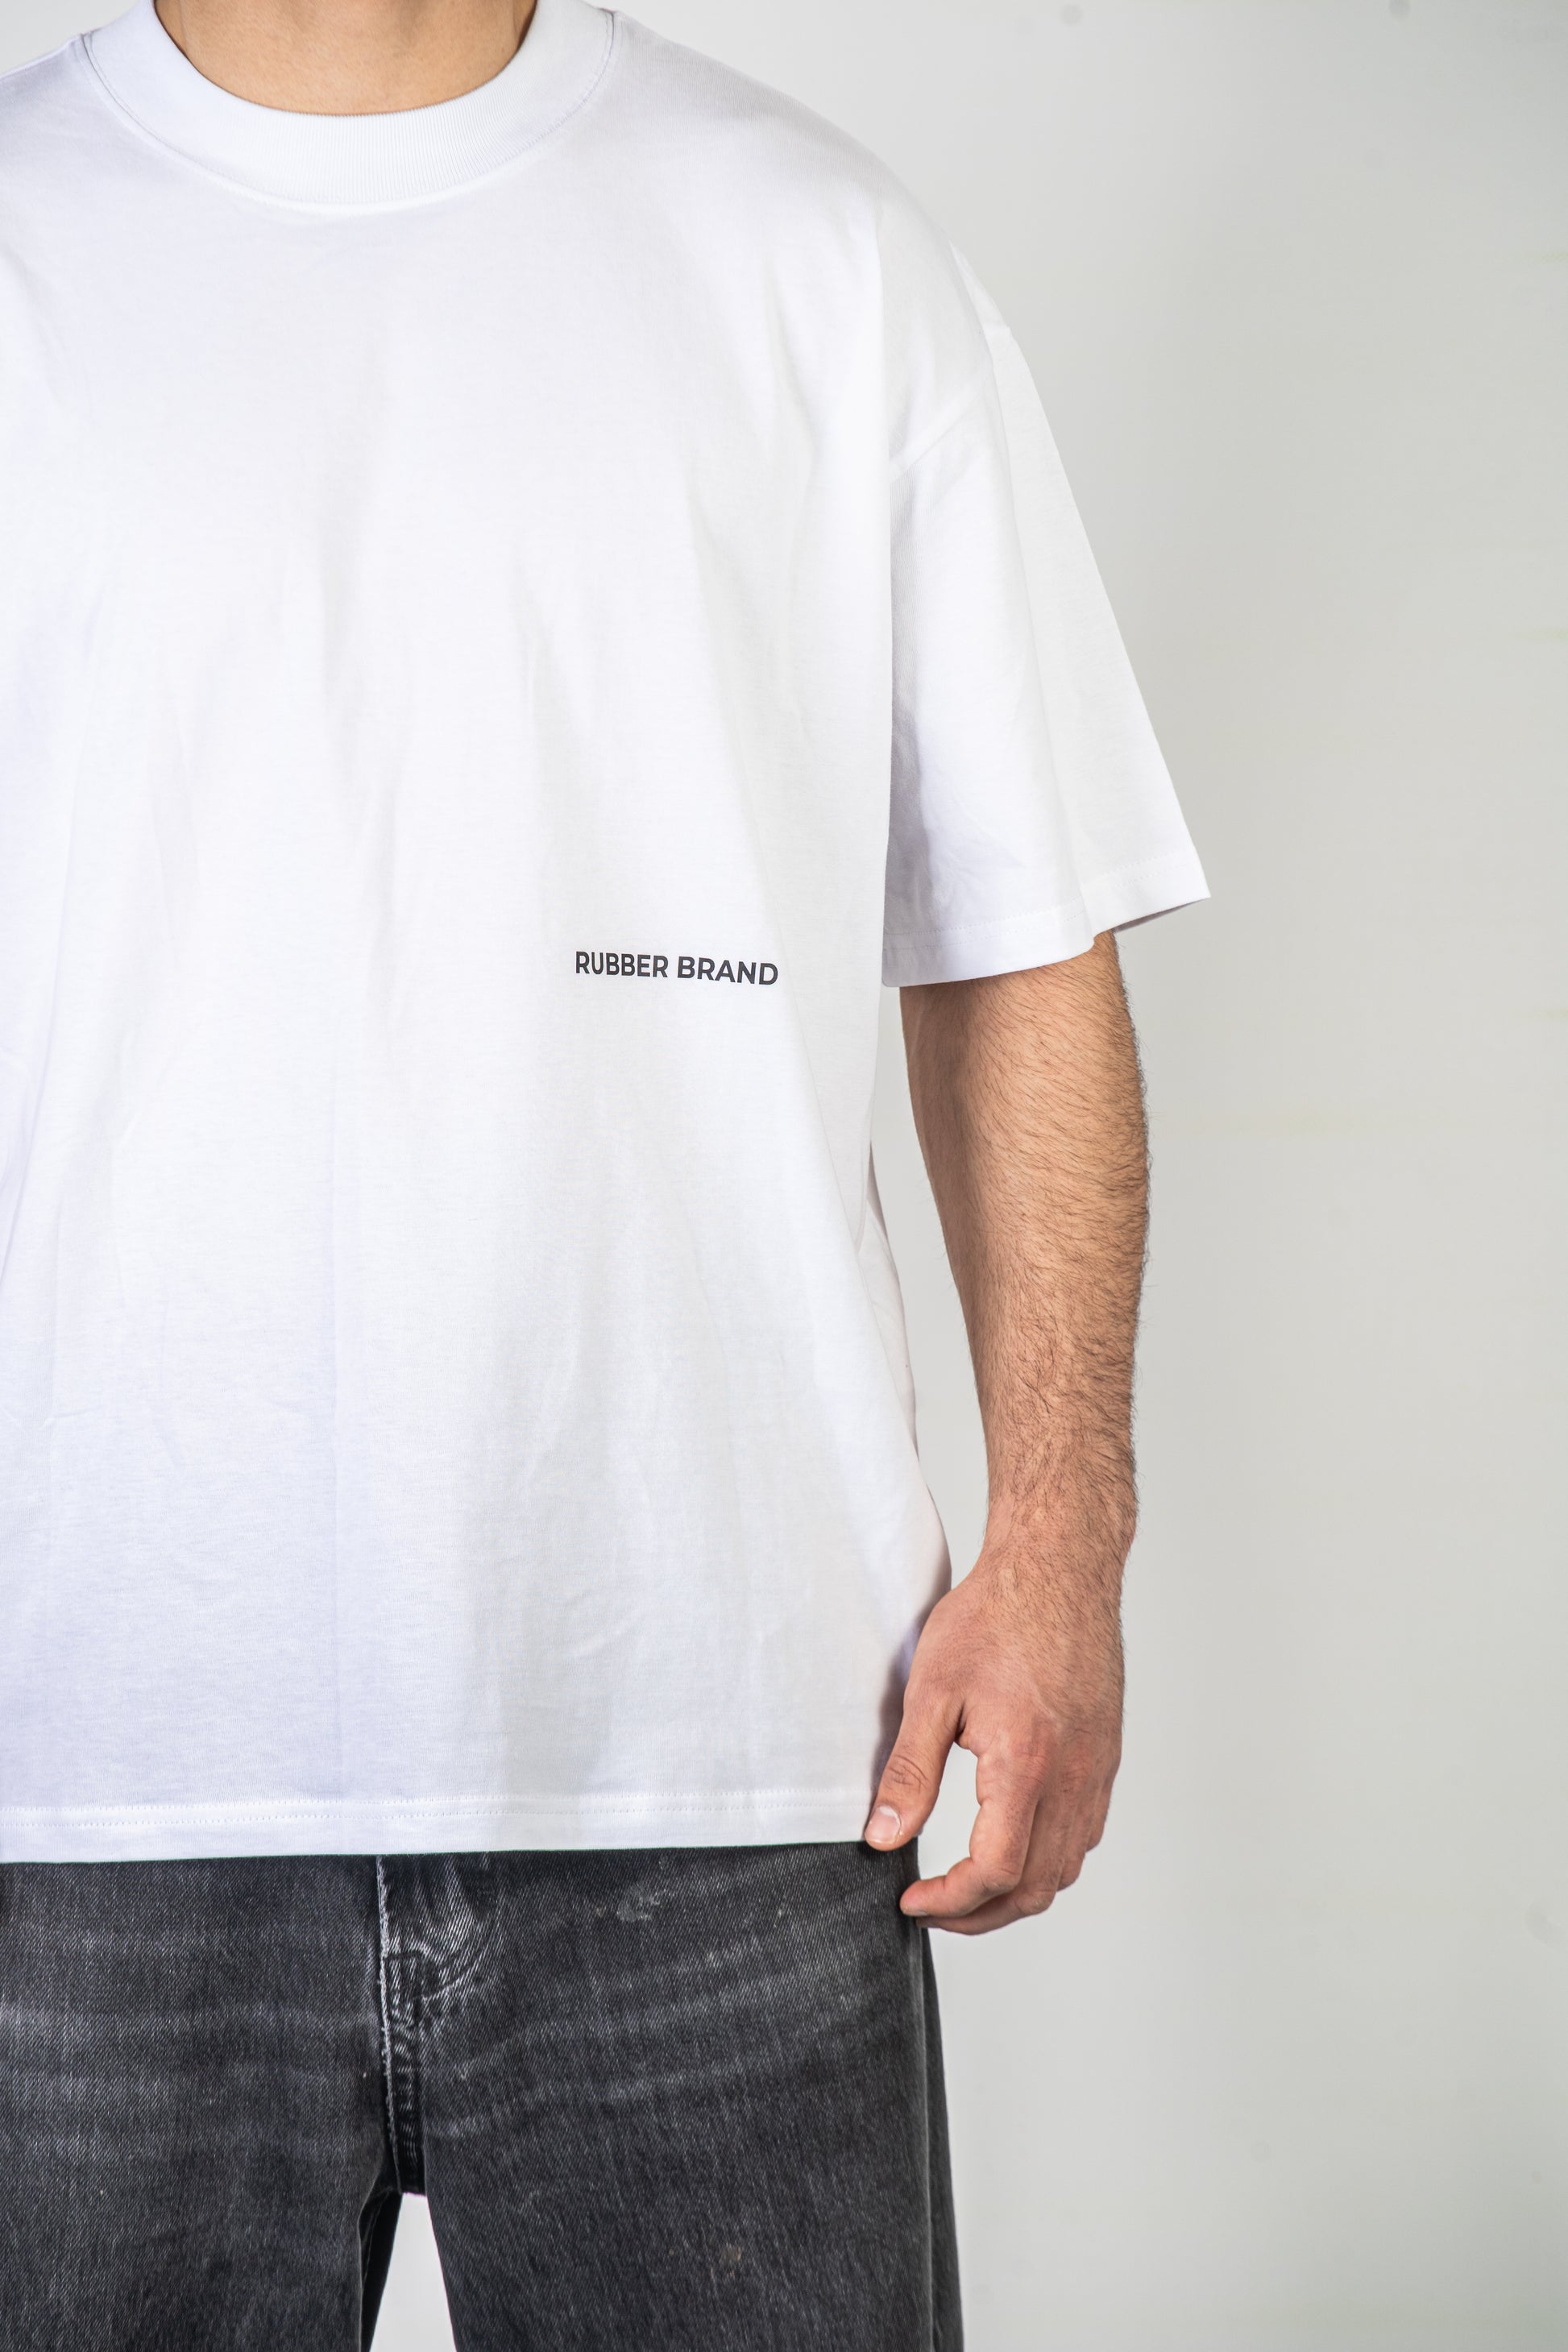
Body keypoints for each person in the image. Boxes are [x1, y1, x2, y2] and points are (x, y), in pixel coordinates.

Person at [0, 0, 1206, 2342]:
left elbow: (1015, 946)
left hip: (738, 1759)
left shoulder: (819, 253)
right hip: (71, 1770)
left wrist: (1063, 1546)